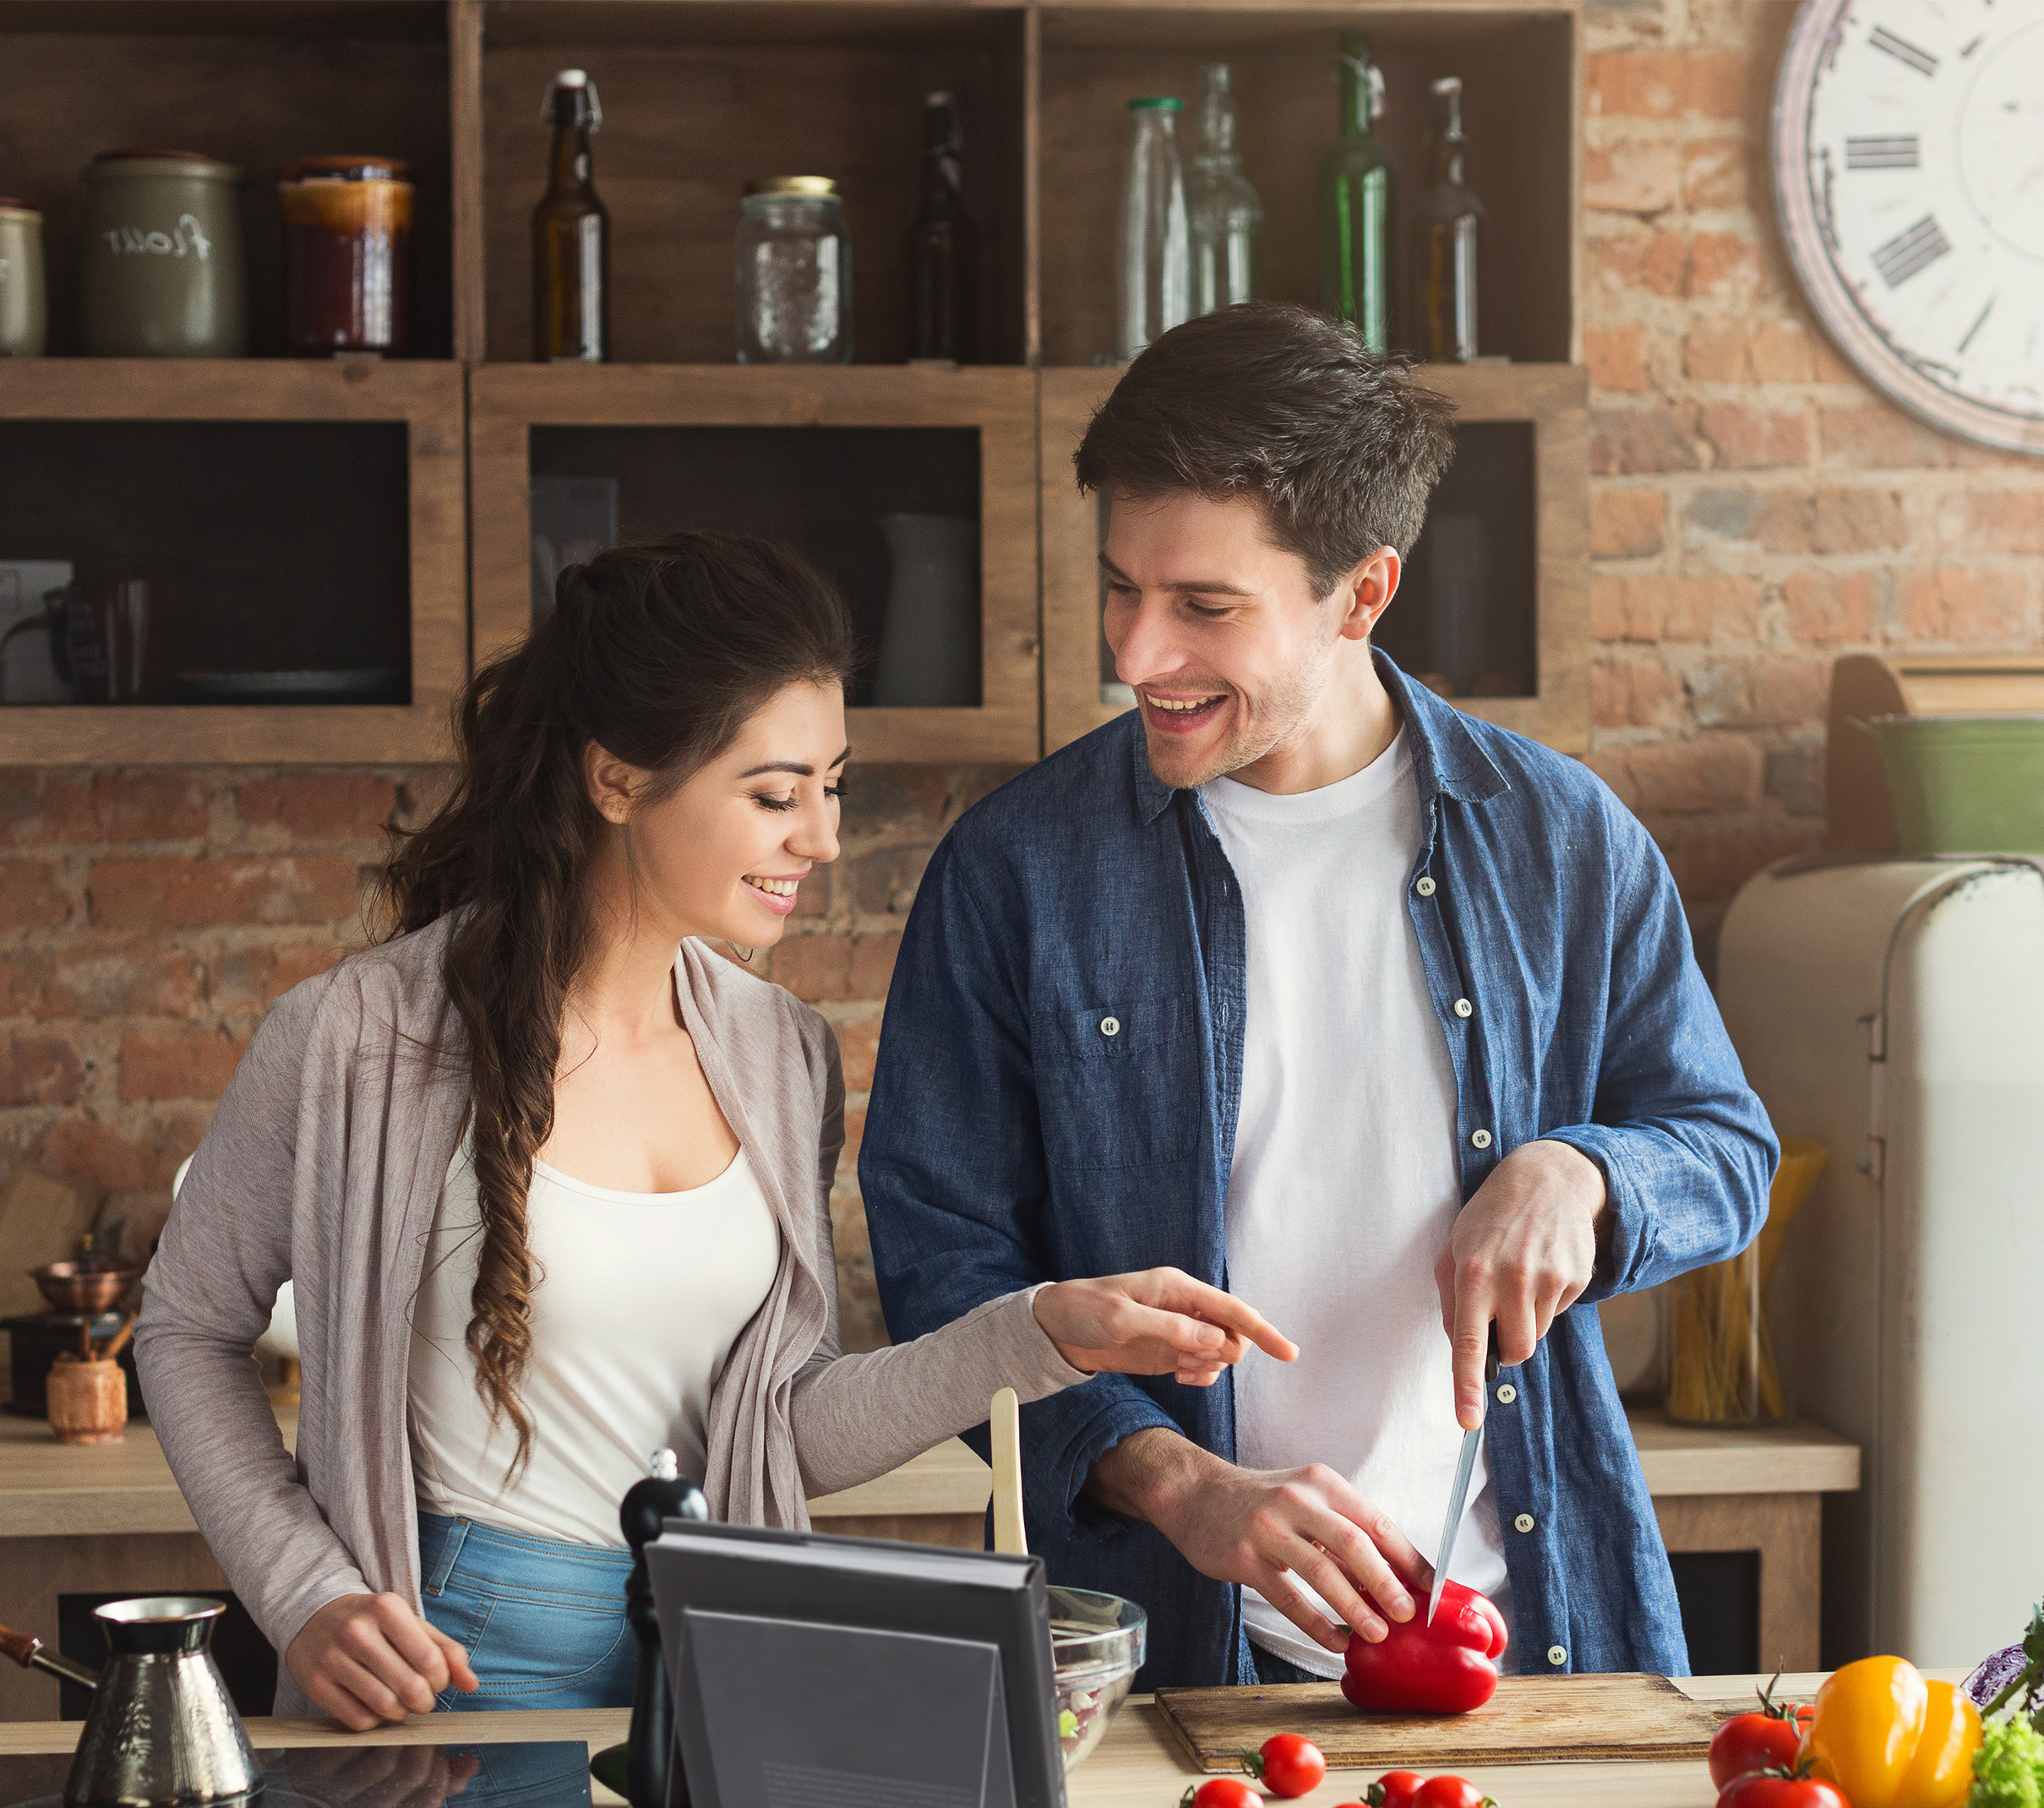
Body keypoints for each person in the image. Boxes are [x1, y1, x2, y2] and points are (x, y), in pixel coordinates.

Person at [136, 534, 1291, 1730]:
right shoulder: (354, 1039)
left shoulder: (779, 1052)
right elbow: (185, 1330)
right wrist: (303, 1592)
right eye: (775, 794)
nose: (823, 839)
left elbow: (781, 1425)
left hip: (726, 1667)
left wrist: (1041, 1332)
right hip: (453, 1669)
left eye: (831, 787)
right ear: (618, 780)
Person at [858, 304, 1778, 1691]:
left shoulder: (1563, 841)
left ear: (1363, 592)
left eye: (1205, 609)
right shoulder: (1018, 872)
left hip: (1527, 1641)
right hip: (1177, 1665)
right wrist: (1177, 1483)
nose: (1137, 653)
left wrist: (1580, 1176)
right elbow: (945, 1268)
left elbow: (1724, 1149)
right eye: (1122, 587)